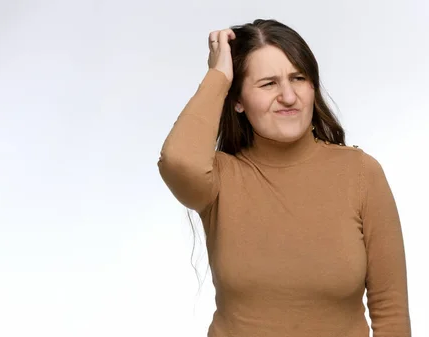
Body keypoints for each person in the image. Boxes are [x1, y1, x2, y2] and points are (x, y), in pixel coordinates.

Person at [158, 19, 411, 337]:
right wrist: (218, 75)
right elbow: (178, 161)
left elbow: (391, 313)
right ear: (237, 100)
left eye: (298, 78)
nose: (289, 96)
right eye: (268, 84)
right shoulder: (219, 180)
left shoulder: (361, 174)